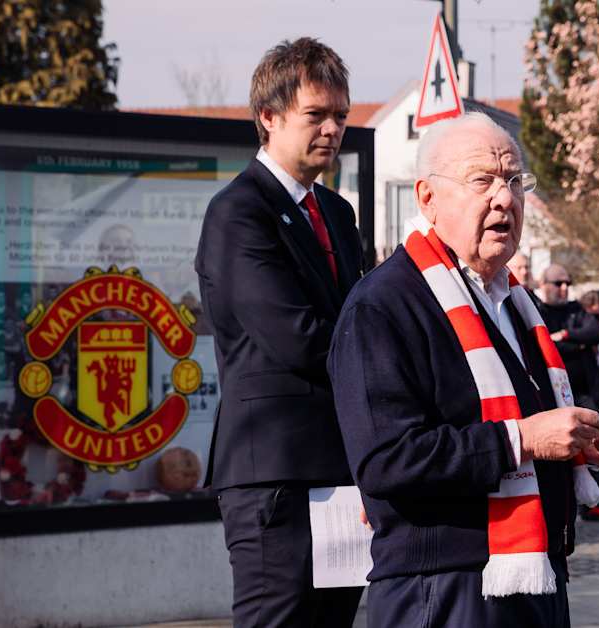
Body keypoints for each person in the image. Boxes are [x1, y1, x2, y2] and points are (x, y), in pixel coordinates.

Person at [329, 112, 599, 627]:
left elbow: (535, 424)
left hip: (537, 573)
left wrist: (588, 443)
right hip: (442, 587)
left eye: (515, 181)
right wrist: (522, 440)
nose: (504, 198)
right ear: (427, 197)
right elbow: (387, 460)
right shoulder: (384, 305)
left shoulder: (516, 303)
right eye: (482, 180)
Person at [194, 38, 365, 628]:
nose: (332, 129)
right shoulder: (238, 212)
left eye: (340, 115)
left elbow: (357, 316)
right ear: (268, 117)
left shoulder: (337, 213)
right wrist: (390, 362)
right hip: (274, 474)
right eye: (315, 114)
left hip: (342, 469)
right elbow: (298, 337)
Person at [537, 264, 599, 522]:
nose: (564, 288)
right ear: (543, 284)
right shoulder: (537, 309)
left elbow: (594, 333)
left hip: (585, 392)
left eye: (567, 283)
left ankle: (592, 503)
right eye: (558, 283)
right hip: (554, 393)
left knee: (594, 441)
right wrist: (576, 344)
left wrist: (565, 335)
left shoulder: (575, 309)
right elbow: (544, 344)